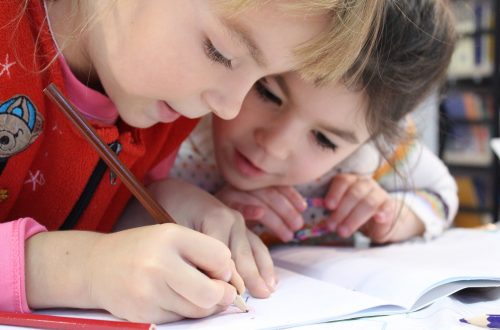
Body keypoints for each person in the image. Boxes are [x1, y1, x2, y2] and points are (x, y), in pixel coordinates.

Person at [0, 0, 386, 324]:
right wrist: (83, 271)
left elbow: (80, 214)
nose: (230, 107)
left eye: (261, 79)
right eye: (222, 53)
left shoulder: (166, 109)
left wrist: (156, 206)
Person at [168, 0, 458, 245]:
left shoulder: (372, 158)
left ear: (372, 139)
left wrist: (396, 216)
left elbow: (442, 192)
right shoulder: (175, 121)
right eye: (267, 93)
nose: (275, 145)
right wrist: (193, 211)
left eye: (324, 140)